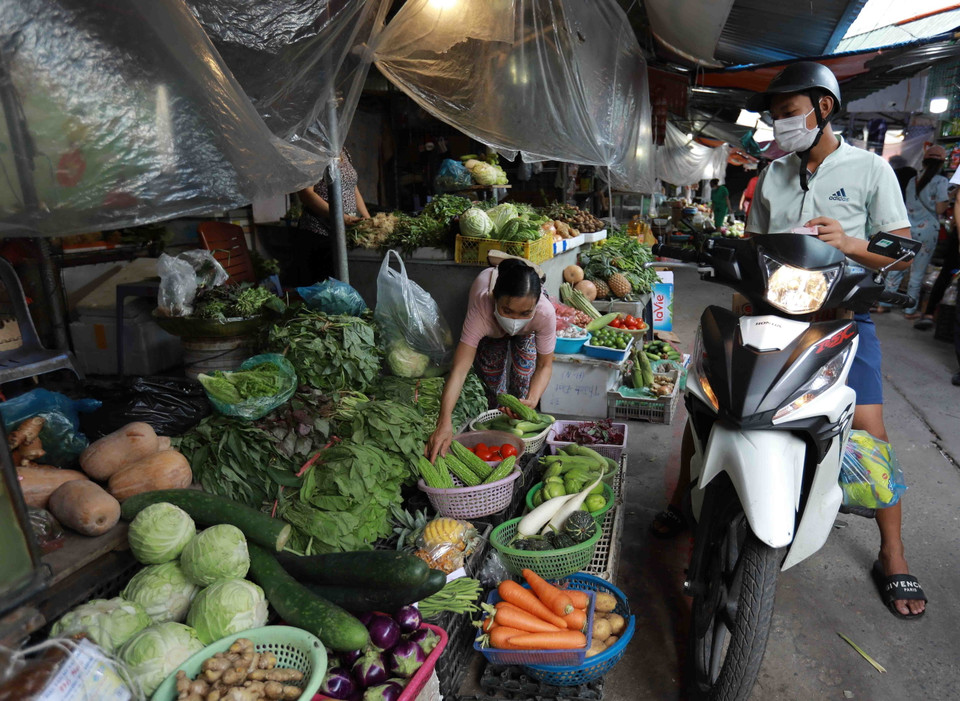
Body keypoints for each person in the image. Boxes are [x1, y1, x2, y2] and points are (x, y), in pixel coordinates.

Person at [650, 61, 927, 619]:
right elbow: (750, 247)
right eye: (775, 117)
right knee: (709, 401)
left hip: (841, 316)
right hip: (769, 311)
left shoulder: (871, 169)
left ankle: (892, 553)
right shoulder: (773, 174)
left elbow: (900, 252)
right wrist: (737, 304)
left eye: (787, 113)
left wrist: (849, 243)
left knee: (870, 432)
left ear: (823, 109)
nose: (780, 125)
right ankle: (684, 499)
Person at [425, 258, 556, 461]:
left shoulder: (544, 313)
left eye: (524, 312)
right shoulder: (481, 309)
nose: (514, 320)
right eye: (507, 311)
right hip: (491, 330)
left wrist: (531, 399)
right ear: (495, 298)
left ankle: (517, 444)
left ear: (536, 305)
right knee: (493, 384)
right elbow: (459, 371)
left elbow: (544, 365)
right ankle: (498, 441)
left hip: (529, 330)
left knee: (524, 376)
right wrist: (444, 421)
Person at [877, 146, 950, 319]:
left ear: (924, 161)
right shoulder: (941, 182)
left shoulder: (912, 181)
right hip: (927, 232)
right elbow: (940, 208)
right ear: (941, 163)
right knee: (917, 270)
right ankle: (910, 309)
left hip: (907, 229)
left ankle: (884, 304)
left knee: (897, 267)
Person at [297, 149, 370, 281]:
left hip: (344, 231)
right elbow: (306, 194)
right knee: (326, 288)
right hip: (320, 232)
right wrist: (340, 217)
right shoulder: (313, 152)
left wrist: (368, 218)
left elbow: (352, 187)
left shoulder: (345, 151)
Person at [915, 182, 959, 330]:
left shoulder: (914, 181)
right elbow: (945, 206)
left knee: (941, 273)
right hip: (931, 229)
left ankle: (927, 312)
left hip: (915, 225)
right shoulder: (940, 181)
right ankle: (923, 311)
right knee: (939, 272)